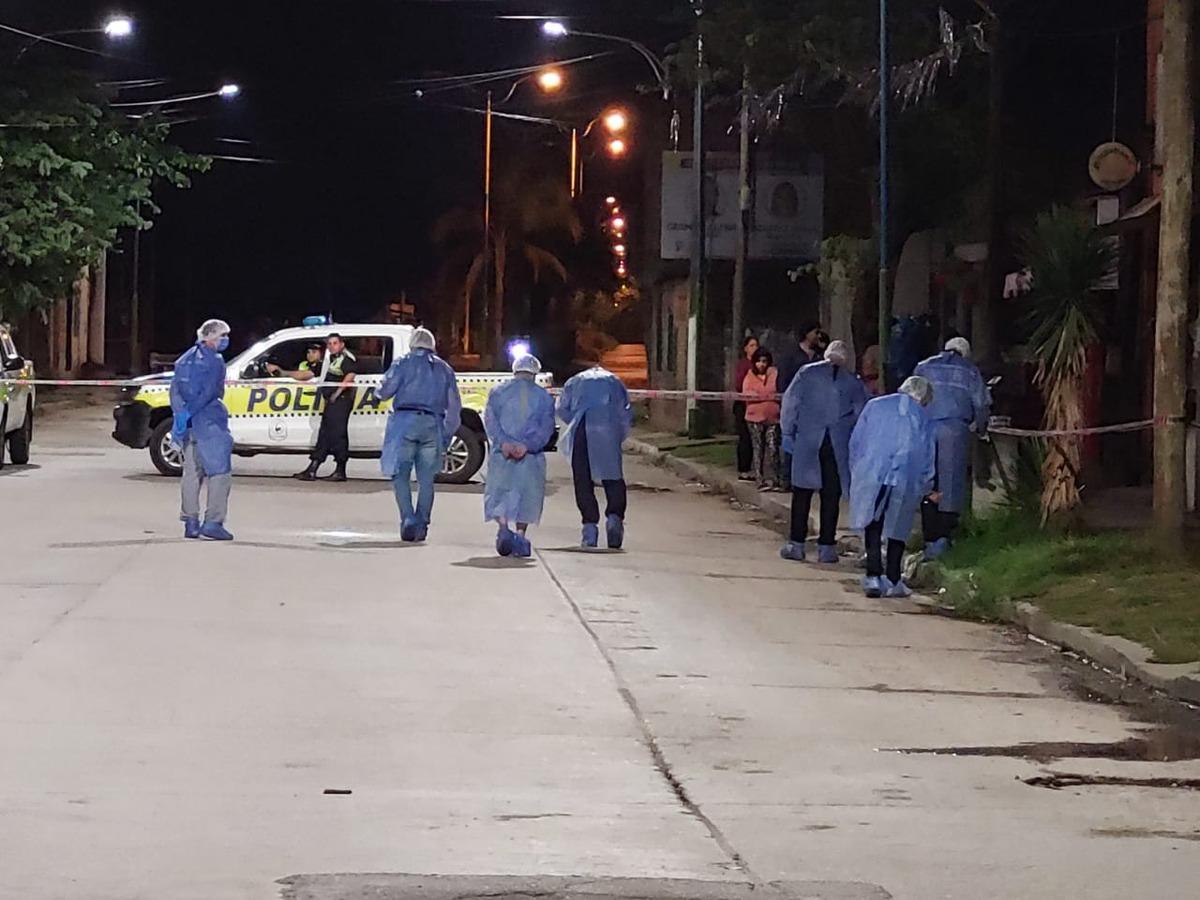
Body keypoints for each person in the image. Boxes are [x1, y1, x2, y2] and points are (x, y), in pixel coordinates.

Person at [779, 340, 869, 564]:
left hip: (808, 440)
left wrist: (787, 431)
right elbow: (861, 414)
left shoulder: (806, 374)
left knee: (802, 493)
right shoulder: (852, 382)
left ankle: (797, 544)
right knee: (831, 494)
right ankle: (826, 547)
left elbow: (791, 403)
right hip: (837, 444)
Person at [848, 375, 937, 599]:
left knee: (873, 523)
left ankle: (873, 575)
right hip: (906, 476)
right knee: (899, 526)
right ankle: (893, 578)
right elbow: (927, 453)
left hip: (872, 473)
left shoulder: (875, 405)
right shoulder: (922, 416)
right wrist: (927, 484)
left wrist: (857, 470)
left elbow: (856, 441)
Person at [376, 327, 462, 543]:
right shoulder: (445, 369)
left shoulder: (402, 363)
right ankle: (422, 523)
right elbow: (454, 408)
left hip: (404, 424)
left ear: (412, 344)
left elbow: (385, 391)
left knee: (400, 475)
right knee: (426, 480)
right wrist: (446, 434)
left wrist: (378, 391)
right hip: (432, 424)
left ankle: (408, 519)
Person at [913, 337, 991, 559]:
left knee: (928, 482)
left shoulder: (924, 366)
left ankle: (929, 538)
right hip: (955, 431)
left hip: (925, 428)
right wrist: (981, 428)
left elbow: (911, 396)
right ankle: (943, 539)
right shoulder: (969, 371)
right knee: (951, 484)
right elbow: (981, 404)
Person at [484, 355, 556, 558]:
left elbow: (490, 421)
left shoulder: (498, 392)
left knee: (499, 492)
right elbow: (546, 428)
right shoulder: (543, 397)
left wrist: (504, 443)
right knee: (528, 495)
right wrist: (527, 446)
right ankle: (520, 534)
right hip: (530, 457)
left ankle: (503, 528)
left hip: (502, 455)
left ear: (515, 370)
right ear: (535, 373)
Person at [170, 319, 235, 541]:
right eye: (223, 336)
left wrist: (182, 416)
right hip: (210, 423)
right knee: (220, 474)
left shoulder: (184, 360)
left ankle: (190, 522)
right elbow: (210, 393)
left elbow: (175, 392)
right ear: (212, 337)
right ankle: (213, 523)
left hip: (189, 426)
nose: (225, 340)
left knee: (191, 474)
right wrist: (192, 411)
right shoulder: (215, 361)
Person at [558, 366, 632, 550]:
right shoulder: (614, 381)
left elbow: (562, 408)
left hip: (582, 430)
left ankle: (590, 527)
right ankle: (614, 519)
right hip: (608, 430)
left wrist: (576, 419)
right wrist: (619, 433)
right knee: (613, 477)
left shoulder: (574, 382)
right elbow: (625, 410)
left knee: (583, 479)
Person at [294, 333, 359, 482]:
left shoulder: (346, 358)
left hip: (341, 401)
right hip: (332, 401)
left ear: (341, 344)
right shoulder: (331, 359)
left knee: (338, 434)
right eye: (329, 344)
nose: (332, 346)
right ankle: (313, 468)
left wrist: (337, 393)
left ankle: (340, 471)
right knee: (324, 434)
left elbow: (350, 375)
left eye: (335, 343)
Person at [742, 347, 782, 491]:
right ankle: (760, 480)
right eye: (758, 361)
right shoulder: (749, 376)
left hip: (773, 418)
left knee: (773, 448)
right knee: (758, 448)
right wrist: (765, 395)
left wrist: (762, 395)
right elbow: (747, 394)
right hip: (754, 418)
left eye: (764, 361)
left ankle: (776, 479)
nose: (761, 364)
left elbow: (777, 391)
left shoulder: (775, 374)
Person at [734, 335, 759, 481]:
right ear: (745, 349)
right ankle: (743, 469)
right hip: (743, 405)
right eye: (751, 345)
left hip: (757, 406)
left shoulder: (761, 364)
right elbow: (739, 384)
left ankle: (755, 469)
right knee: (745, 437)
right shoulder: (743, 365)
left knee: (755, 438)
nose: (754, 348)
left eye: (756, 345)